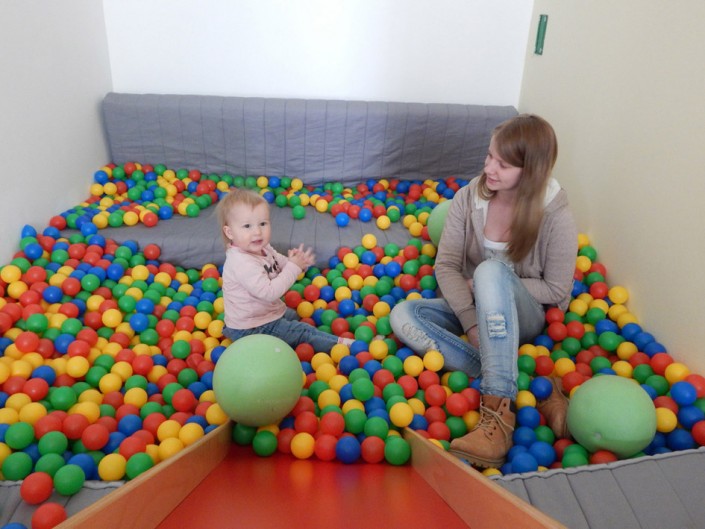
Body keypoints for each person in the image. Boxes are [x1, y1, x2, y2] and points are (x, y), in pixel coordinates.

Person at [390, 114, 577, 468]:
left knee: (491, 270)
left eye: (503, 165)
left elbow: (556, 290)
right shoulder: (469, 197)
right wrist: (471, 323)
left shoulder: (555, 215)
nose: (489, 168)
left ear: (530, 171)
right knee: (404, 315)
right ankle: (530, 385)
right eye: (490, 156)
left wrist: (494, 281)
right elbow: (445, 264)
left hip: (526, 316)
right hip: (475, 308)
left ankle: (497, 417)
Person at [216, 187, 355, 352]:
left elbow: (276, 261)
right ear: (230, 232)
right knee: (303, 332)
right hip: (250, 328)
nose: (257, 232)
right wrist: (293, 267)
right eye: (247, 226)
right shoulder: (241, 262)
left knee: (294, 315)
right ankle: (347, 347)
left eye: (262, 223)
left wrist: (293, 261)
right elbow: (269, 293)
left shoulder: (262, 247)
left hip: (264, 313)